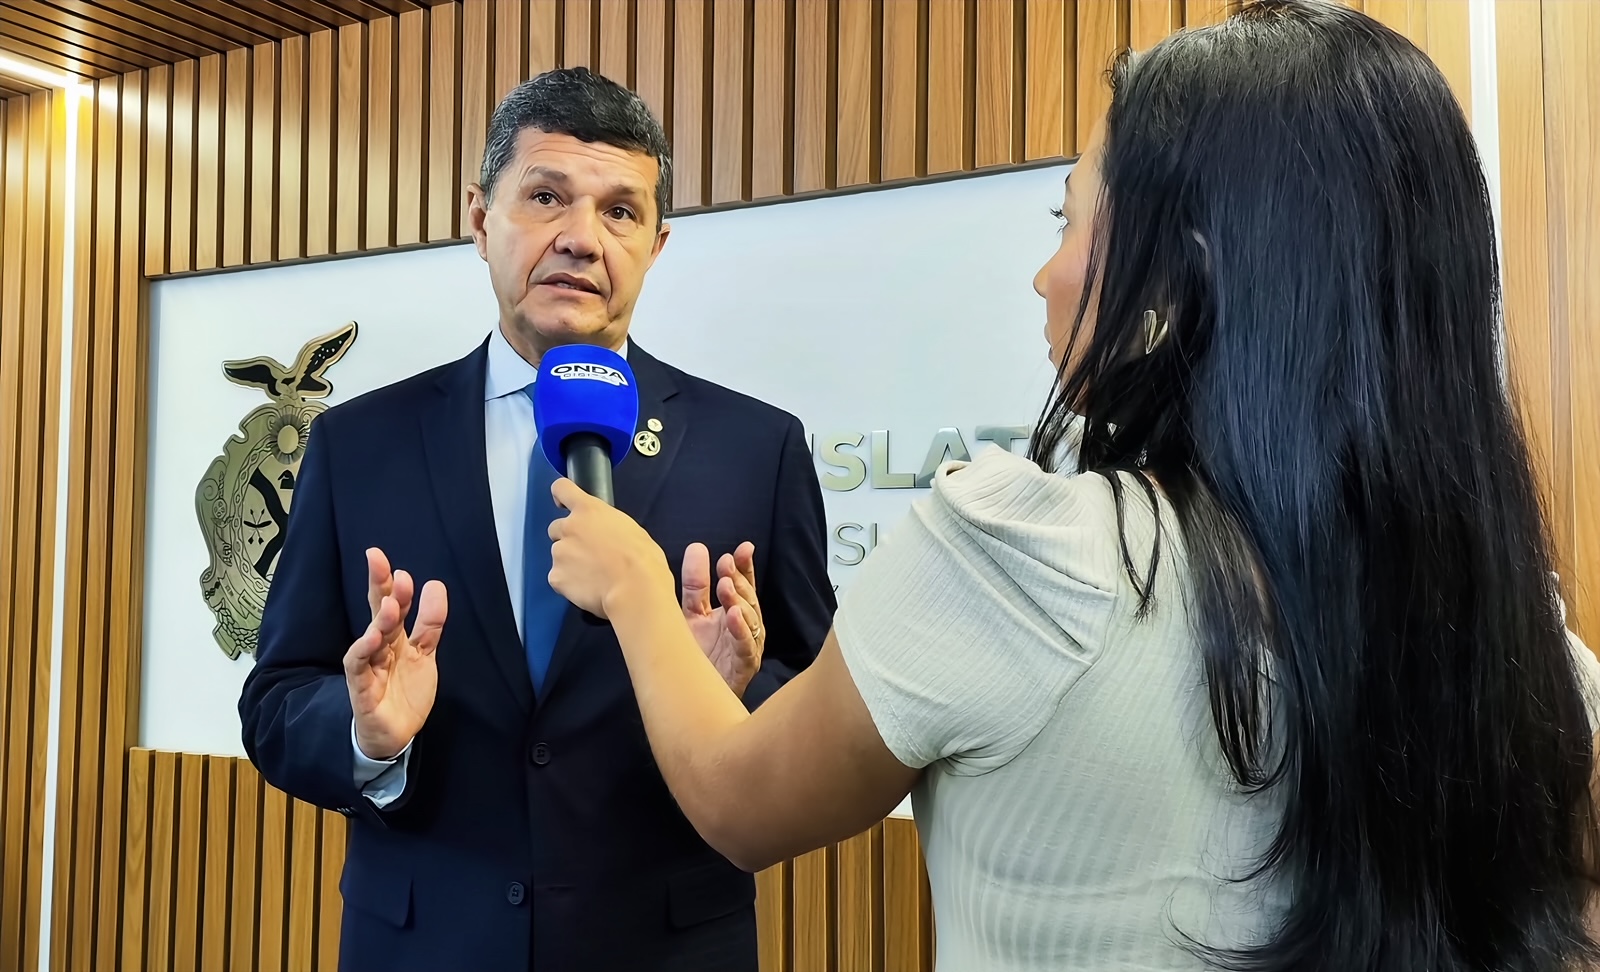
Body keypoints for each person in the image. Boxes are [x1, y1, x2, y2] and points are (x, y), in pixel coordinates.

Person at [540, 3, 1600, 971]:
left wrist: (634, 588)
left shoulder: (1018, 555)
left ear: (1178, 276)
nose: (1043, 276)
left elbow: (740, 801)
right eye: (545, 198)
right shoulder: (1533, 648)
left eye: (1067, 222)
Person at [238, 67, 835, 972]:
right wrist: (367, 735)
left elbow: (821, 708)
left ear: (657, 245)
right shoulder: (359, 443)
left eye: (620, 212)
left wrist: (727, 696)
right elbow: (278, 699)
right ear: (481, 219)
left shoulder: (757, 447)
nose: (581, 239)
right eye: (546, 196)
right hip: (424, 949)